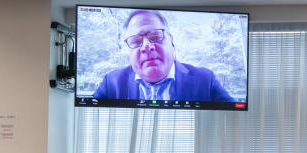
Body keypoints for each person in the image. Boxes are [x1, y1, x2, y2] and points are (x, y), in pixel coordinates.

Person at [91, 9, 233, 102]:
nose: (147, 47)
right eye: (136, 41)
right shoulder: (112, 82)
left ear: (171, 40)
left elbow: (233, 120)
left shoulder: (205, 80)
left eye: (155, 36)